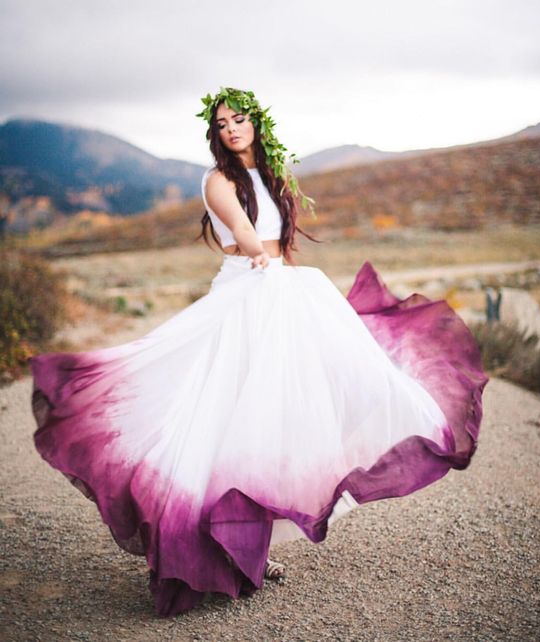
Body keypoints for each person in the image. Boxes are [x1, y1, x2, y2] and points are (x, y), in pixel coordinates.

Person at [29, 86, 489, 618]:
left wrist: (290, 278)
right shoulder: (217, 180)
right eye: (221, 123)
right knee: (227, 418)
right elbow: (249, 241)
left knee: (275, 420)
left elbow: (278, 243)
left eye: (239, 119)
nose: (230, 128)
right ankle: (212, 545)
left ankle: (253, 546)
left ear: (256, 123)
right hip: (249, 294)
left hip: (277, 293)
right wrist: (286, 279)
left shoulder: (272, 177)